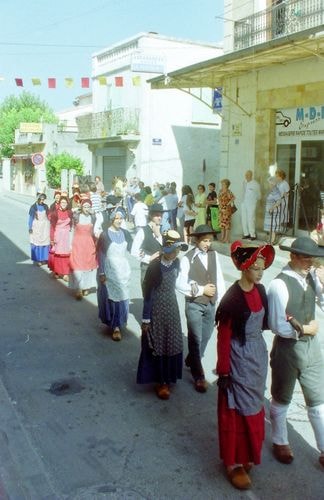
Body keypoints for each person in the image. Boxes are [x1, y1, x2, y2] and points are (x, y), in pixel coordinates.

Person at [216, 240, 275, 490]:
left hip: (257, 357)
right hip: (238, 358)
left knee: (254, 407)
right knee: (236, 411)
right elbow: (224, 336)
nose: (261, 272)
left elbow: (267, 322)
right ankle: (233, 463)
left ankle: (248, 454)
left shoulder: (260, 292)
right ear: (244, 267)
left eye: (263, 267)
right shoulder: (232, 298)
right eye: (256, 267)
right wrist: (224, 370)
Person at [267, 236, 324, 469]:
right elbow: (276, 325)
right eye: (304, 257)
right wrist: (305, 329)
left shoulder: (312, 277)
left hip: (312, 348)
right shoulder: (279, 284)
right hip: (288, 348)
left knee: (318, 401)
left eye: (312, 258)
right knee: (282, 397)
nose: (309, 262)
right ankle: (280, 441)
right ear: (292, 256)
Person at [137, 230, 188, 400]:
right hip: (157, 309)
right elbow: (148, 293)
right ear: (166, 249)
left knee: (171, 342)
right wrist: (146, 318)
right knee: (158, 344)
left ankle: (169, 377)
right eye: (173, 250)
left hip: (172, 308)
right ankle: (161, 381)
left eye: (177, 250)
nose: (176, 253)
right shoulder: (154, 266)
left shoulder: (177, 263)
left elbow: (182, 283)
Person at [176, 225, 226, 392]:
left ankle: (191, 359)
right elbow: (180, 284)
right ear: (196, 240)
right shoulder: (187, 258)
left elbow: (219, 278)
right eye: (204, 240)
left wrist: (221, 302)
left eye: (210, 240)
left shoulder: (214, 255)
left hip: (211, 303)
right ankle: (198, 375)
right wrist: (202, 289)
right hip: (194, 305)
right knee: (195, 339)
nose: (207, 244)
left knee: (206, 336)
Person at [97, 207, 133, 341]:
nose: (119, 220)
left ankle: (119, 322)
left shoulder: (125, 233)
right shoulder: (105, 234)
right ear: (112, 219)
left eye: (121, 218)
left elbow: (133, 249)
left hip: (123, 268)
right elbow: (100, 254)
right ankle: (115, 326)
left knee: (123, 297)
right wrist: (101, 272)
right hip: (110, 268)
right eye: (116, 218)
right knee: (112, 297)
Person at [70, 198, 97, 300]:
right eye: (85, 206)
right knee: (78, 266)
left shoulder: (93, 217)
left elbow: (95, 230)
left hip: (89, 244)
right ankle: (78, 289)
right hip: (77, 243)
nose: (87, 208)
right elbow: (72, 230)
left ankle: (86, 287)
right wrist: (70, 244)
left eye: (88, 207)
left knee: (87, 266)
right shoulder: (76, 216)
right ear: (81, 207)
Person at [131, 203, 164, 286]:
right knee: (148, 293)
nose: (159, 218)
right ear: (150, 216)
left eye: (161, 215)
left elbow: (167, 248)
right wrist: (148, 258)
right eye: (157, 215)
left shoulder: (163, 230)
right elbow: (134, 251)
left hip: (161, 267)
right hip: (147, 267)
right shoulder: (143, 231)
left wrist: (159, 235)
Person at [50, 195, 73, 281]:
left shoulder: (70, 213)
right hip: (58, 235)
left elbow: (71, 224)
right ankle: (57, 271)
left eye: (65, 202)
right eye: (62, 202)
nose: (64, 204)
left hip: (67, 236)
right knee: (58, 255)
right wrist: (52, 239)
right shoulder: (55, 213)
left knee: (67, 254)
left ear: (67, 204)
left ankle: (65, 273)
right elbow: (52, 227)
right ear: (59, 203)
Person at [28, 193, 50, 266]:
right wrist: (30, 227)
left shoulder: (46, 206)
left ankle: (44, 259)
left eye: (43, 199)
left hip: (44, 227)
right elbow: (31, 218)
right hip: (37, 226)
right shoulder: (33, 207)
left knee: (45, 242)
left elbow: (49, 216)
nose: (42, 200)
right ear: (38, 198)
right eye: (40, 199)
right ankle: (39, 259)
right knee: (37, 242)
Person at [241, 170, 261, 241]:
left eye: (248, 175)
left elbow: (259, 196)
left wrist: (254, 201)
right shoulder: (244, 182)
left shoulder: (255, 184)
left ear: (251, 175)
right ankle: (246, 234)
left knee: (251, 218)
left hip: (251, 203)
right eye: (246, 175)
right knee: (244, 218)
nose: (246, 176)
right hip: (244, 202)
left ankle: (252, 234)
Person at [263, 176, 281, 244]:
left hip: (273, 212)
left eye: (269, 183)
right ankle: (270, 240)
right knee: (270, 227)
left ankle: (272, 241)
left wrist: (272, 208)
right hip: (270, 212)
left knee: (273, 227)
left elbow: (279, 201)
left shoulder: (276, 190)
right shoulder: (272, 191)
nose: (268, 185)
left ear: (273, 184)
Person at [218, 179, 235, 243]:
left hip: (226, 209)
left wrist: (227, 204)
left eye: (223, 184)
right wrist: (220, 206)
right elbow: (218, 199)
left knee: (227, 224)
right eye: (222, 183)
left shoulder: (228, 191)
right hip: (221, 209)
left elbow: (233, 198)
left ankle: (226, 239)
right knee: (222, 224)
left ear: (227, 185)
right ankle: (222, 237)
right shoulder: (220, 191)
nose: (222, 185)